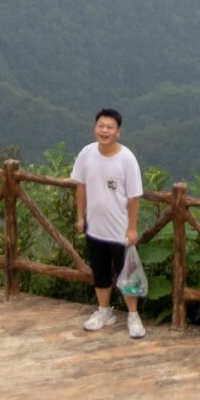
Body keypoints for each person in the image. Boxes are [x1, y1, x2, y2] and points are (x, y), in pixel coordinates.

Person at [71, 107, 145, 338]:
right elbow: (80, 186)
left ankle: (133, 316)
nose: (104, 131)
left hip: (120, 231)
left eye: (109, 127)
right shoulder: (87, 153)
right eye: (101, 126)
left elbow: (134, 198)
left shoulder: (127, 159)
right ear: (95, 128)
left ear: (118, 132)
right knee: (100, 273)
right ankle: (104, 311)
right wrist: (80, 217)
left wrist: (132, 228)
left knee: (128, 276)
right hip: (96, 228)